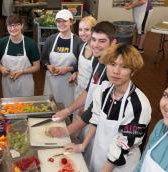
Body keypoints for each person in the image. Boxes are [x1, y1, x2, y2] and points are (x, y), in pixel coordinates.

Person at [65, 43, 151, 172]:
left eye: (124, 67)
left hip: (121, 165)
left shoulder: (139, 105)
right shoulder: (103, 90)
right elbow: (96, 119)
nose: (116, 71)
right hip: (98, 155)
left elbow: (123, 145)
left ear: (133, 71)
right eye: (112, 64)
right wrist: (83, 145)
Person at [48, 21, 118, 165]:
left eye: (102, 41)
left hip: (106, 133)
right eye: (93, 40)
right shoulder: (97, 60)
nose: (95, 45)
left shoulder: (113, 72)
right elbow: (89, 89)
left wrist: (66, 131)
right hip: (91, 122)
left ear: (113, 42)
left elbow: (94, 109)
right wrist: (67, 111)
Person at [41, 9, 83, 108]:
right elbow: (43, 59)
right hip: (51, 82)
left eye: (64, 21)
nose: (61, 24)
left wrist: (68, 69)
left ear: (71, 22)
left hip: (69, 83)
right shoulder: (51, 39)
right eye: (58, 21)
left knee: (67, 109)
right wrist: (48, 66)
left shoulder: (78, 42)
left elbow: (82, 65)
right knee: (50, 108)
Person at [0, 14, 40, 97]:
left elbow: (37, 66)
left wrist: (22, 71)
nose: (13, 28)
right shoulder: (1, 43)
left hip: (25, 84)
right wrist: (1, 68)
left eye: (16, 25)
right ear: (7, 27)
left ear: (22, 25)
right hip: (7, 84)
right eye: (10, 26)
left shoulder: (30, 43)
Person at [72, 15, 97, 118]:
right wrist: (76, 73)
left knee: (85, 121)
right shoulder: (82, 46)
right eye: (80, 29)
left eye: (87, 29)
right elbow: (80, 67)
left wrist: (88, 105)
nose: (83, 33)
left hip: (91, 94)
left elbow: (98, 80)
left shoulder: (97, 52)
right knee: (76, 118)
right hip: (79, 90)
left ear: (94, 31)